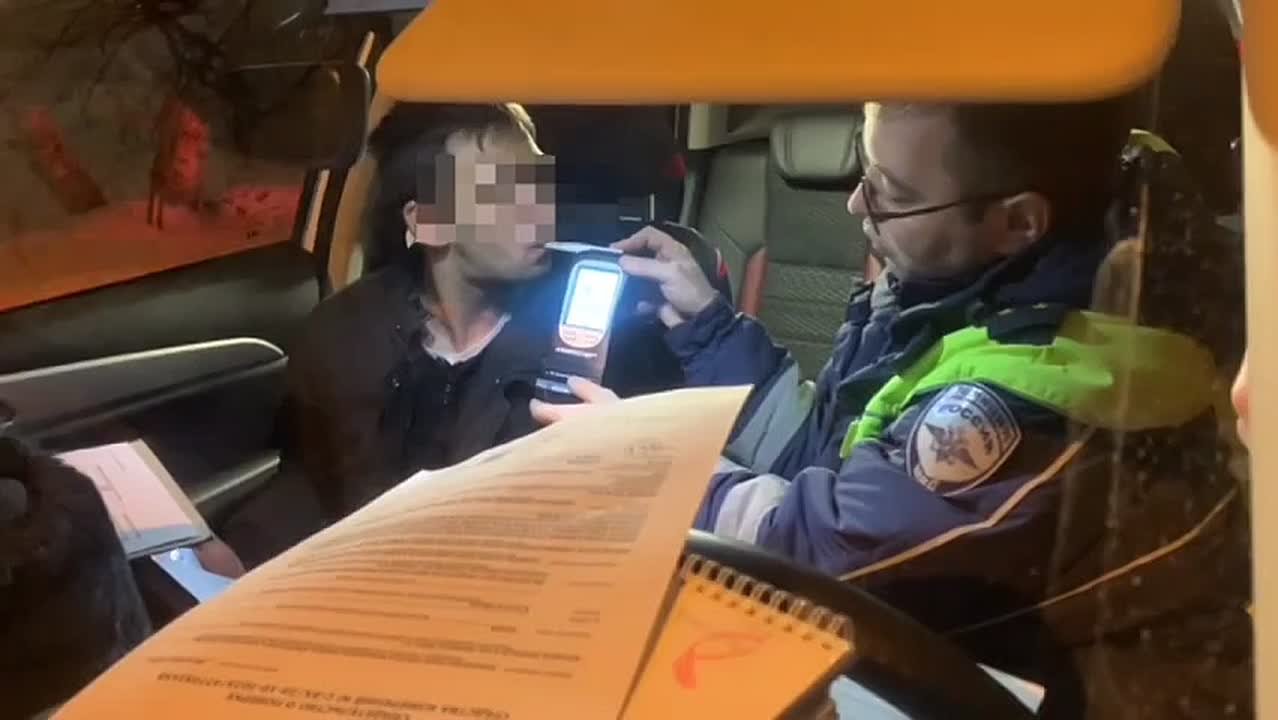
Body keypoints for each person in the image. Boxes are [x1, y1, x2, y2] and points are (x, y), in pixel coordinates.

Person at [536, 99, 1251, 718]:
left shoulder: (1044, 396)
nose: (856, 205)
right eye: (865, 170)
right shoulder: (956, 284)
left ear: (1018, 222)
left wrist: (641, 464)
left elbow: (817, 559)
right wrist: (708, 327)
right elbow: (830, 461)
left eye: (890, 191)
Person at [220, 103, 725, 564]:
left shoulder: (611, 335)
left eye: (538, 183)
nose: (541, 210)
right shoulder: (343, 335)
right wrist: (239, 560)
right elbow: (313, 484)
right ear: (430, 222)